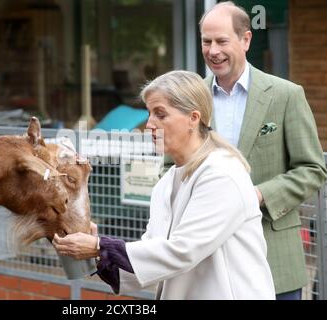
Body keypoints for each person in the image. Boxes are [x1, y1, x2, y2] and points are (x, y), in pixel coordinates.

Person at [53, 70, 275, 300]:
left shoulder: (222, 173)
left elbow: (183, 251)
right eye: (149, 113)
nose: (149, 124)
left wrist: (100, 247)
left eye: (160, 114)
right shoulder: (167, 182)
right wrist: (95, 254)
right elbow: (150, 262)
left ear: (193, 118)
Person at [199, 2, 327, 299]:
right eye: (207, 41)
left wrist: (258, 195)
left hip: (274, 261)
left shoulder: (286, 95)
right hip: (207, 260)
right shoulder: (192, 98)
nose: (213, 51)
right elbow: (173, 167)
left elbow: (312, 169)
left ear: (246, 40)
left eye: (222, 41)